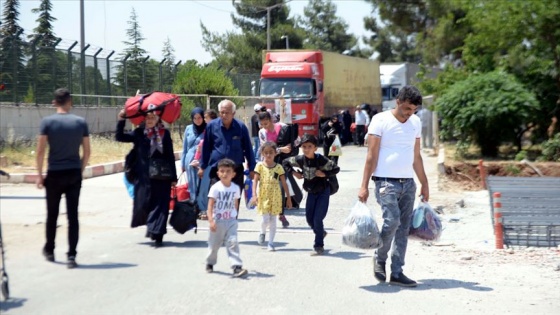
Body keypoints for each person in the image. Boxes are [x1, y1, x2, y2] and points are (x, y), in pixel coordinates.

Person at [358, 85, 429, 287]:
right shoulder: (380, 120)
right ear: (398, 101)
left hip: (408, 183)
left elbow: (416, 157)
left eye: (413, 110)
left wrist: (424, 183)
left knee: (404, 228)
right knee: (393, 221)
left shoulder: (415, 122)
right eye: (407, 108)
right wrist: (363, 185)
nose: (409, 113)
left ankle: (397, 272)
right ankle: (380, 259)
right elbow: (371, 155)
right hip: (385, 182)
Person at [35, 88, 91, 268]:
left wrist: (39, 175)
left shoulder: (47, 122)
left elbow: (41, 150)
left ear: (54, 102)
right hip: (73, 172)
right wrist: (80, 169)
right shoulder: (80, 122)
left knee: (52, 214)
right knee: (72, 216)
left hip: (54, 174)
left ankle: (50, 250)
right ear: (70, 101)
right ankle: (71, 255)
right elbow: (87, 151)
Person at [116, 106, 177, 247]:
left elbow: (169, 156)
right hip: (144, 178)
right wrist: (121, 119)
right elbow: (120, 137)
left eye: (153, 117)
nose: (150, 120)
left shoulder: (164, 134)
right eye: (148, 117)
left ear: (158, 119)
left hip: (162, 177)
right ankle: (152, 228)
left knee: (161, 205)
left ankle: (158, 233)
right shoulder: (139, 133)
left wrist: (173, 178)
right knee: (143, 203)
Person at [283, 135, 339, 256]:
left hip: (323, 191)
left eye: (309, 146)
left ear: (315, 148)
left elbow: (336, 168)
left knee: (318, 218)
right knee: (309, 219)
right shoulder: (300, 159)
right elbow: (285, 162)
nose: (306, 149)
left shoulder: (321, 160)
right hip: (311, 192)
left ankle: (319, 245)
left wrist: (324, 173)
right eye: (304, 147)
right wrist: (294, 173)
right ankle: (320, 232)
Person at [198, 100, 255, 218]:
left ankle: (232, 221)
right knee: (216, 196)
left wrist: (252, 168)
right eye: (222, 112)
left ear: (233, 113)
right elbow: (206, 148)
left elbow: (248, 148)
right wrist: (202, 166)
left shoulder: (240, 127)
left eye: (227, 112)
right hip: (217, 170)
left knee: (234, 198)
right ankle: (216, 221)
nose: (224, 115)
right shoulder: (211, 126)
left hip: (235, 171)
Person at [205, 158, 248, 278]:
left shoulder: (235, 188)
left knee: (233, 243)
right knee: (214, 245)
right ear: (218, 173)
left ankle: (236, 266)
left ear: (233, 174)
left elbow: (236, 204)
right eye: (222, 171)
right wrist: (211, 221)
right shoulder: (215, 188)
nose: (225, 174)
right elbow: (210, 206)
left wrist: (234, 217)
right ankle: (210, 262)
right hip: (217, 221)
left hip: (231, 221)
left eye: (228, 171)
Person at [251, 142, 292, 252]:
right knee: (265, 219)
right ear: (262, 153)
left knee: (273, 219)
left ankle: (271, 243)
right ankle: (262, 231)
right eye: (266, 153)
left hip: (276, 196)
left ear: (275, 154)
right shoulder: (259, 165)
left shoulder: (278, 167)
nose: (268, 155)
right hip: (263, 196)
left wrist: (288, 198)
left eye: (271, 153)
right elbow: (255, 181)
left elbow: (284, 183)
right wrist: (254, 195)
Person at [258, 111, 295, 228]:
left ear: (271, 120)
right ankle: (270, 211)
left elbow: (292, 144)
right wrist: (280, 149)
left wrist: (286, 149)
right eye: (262, 124)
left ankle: (281, 214)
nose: (265, 126)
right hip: (269, 163)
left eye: (266, 123)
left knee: (280, 186)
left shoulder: (283, 127)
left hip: (281, 163)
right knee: (270, 187)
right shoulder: (262, 132)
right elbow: (265, 149)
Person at [180, 107, 206, 205]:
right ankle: (193, 202)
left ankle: (200, 204)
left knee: (201, 182)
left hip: (201, 160)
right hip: (189, 160)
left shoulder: (207, 128)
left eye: (199, 117)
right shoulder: (188, 128)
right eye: (195, 118)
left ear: (203, 117)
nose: (197, 120)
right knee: (192, 183)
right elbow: (185, 147)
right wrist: (182, 164)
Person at [196, 109, 218, 220]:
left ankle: (206, 208)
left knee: (208, 186)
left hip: (211, 160)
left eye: (206, 117)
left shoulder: (214, 129)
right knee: (205, 185)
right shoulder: (209, 129)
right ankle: (203, 208)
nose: (204, 119)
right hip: (208, 160)